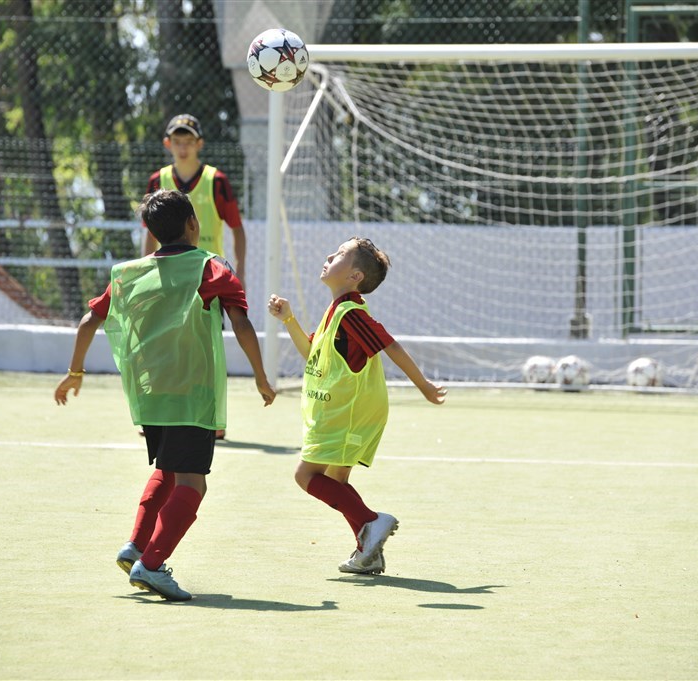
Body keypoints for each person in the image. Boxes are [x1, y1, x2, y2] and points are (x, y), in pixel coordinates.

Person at [55, 189, 276, 600]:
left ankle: (137, 544)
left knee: (167, 469)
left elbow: (89, 321)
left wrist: (75, 373)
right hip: (192, 392)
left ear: (152, 233)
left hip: (150, 394)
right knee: (194, 482)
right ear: (193, 224)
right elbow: (241, 323)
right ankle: (152, 565)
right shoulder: (210, 268)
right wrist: (261, 376)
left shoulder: (128, 273)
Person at [268, 237, 446, 575]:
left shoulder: (351, 312)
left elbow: (389, 345)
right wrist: (289, 320)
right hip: (349, 411)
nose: (329, 255)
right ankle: (368, 552)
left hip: (347, 413)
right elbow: (312, 354)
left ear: (355, 277)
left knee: (305, 475)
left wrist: (423, 386)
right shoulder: (336, 312)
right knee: (337, 479)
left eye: (340, 254)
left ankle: (371, 521)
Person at [148, 113, 246, 440]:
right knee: (163, 348)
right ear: (168, 144)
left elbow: (237, 229)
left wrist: (239, 272)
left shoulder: (216, 181)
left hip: (206, 276)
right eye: (177, 141)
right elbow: (148, 233)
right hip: (167, 275)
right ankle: (159, 413)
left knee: (208, 350)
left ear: (199, 143)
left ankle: (215, 418)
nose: (183, 146)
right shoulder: (156, 180)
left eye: (189, 140)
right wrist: (145, 267)